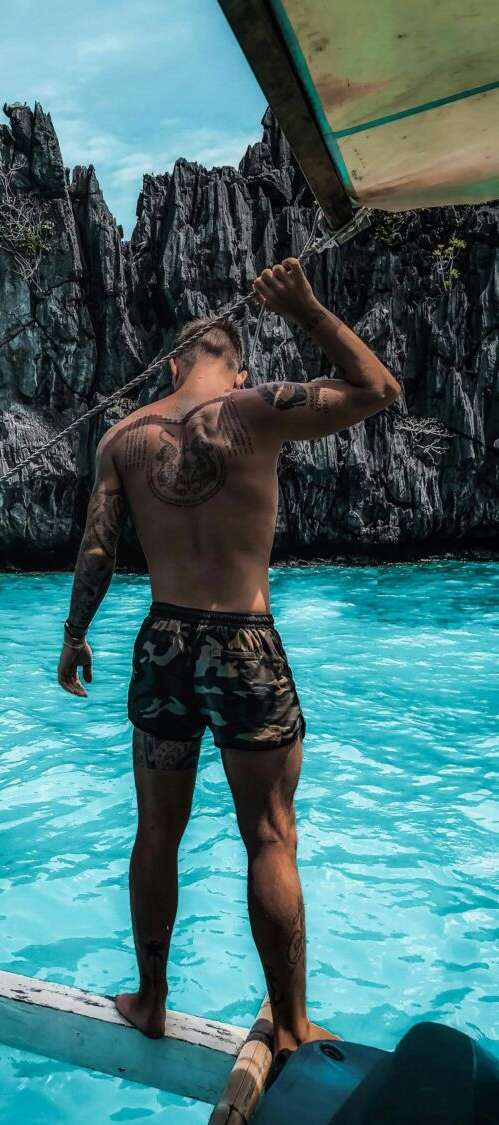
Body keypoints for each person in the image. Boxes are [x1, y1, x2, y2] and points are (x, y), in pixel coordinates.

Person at [56, 259, 401, 1068]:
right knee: (270, 837)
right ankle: (288, 1025)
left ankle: (148, 999)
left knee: (156, 832)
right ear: (235, 365)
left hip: (164, 644)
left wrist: (75, 635)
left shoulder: (123, 437)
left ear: (174, 362)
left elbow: (99, 547)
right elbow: (379, 388)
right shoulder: (255, 410)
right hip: (244, 644)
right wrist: (309, 308)